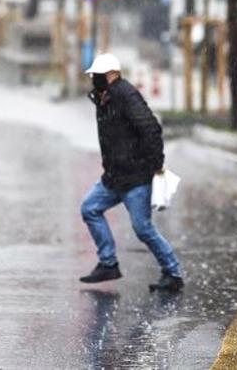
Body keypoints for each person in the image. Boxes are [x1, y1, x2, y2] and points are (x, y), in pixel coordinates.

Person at [78, 53, 184, 290]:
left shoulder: (126, 95)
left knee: (143, 228)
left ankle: (173, 273)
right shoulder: (104, 97)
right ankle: (108, 263)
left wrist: (156, 163)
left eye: (97, 75)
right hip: (114, 176)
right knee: (90, 208)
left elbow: (150, 127)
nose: (94, 79)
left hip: (136, 177)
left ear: (112, 74)